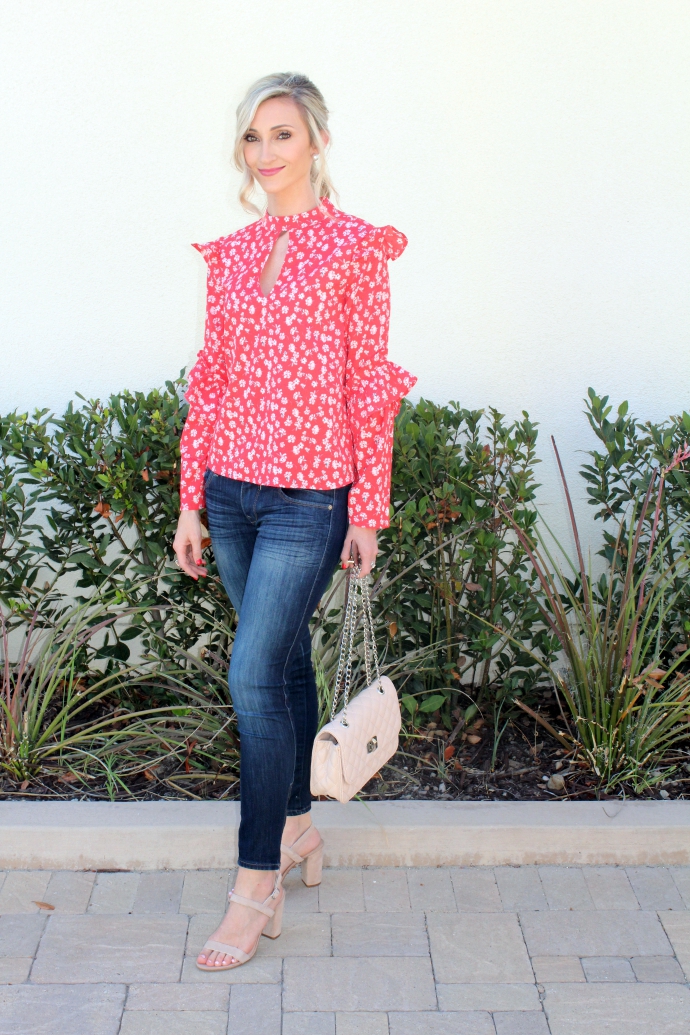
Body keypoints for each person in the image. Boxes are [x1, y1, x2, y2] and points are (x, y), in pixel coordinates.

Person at [173, 71, 417, 970]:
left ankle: (255, 881)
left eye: (282, 134)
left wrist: (368, 512)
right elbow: (211, 379)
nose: (266, 152)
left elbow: (367, 385)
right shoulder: (234, 253)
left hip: (309, 499)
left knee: (250, 674)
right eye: (253, 136)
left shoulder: (356, 247)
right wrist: (192, 499)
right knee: (279, 665)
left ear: (316, 140)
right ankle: (301, 826)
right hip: (231, 493)